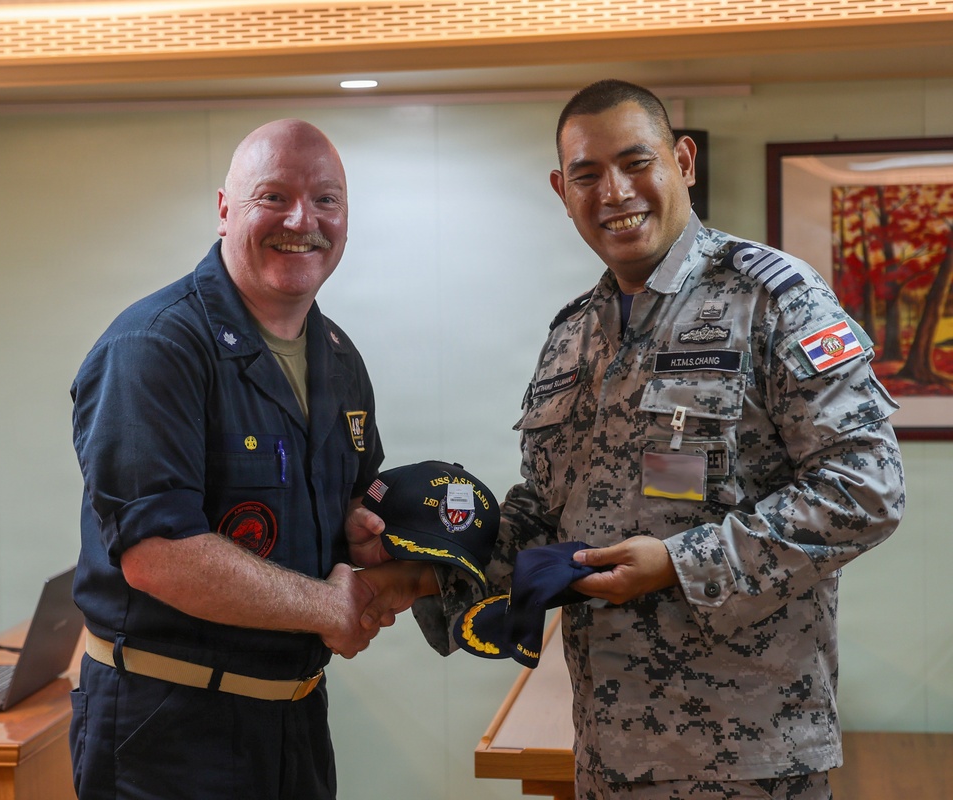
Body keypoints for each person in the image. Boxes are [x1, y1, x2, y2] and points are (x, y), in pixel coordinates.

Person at [358, 80, 906, 799]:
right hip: (607, 751)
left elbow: (866, 488)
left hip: (750, 754)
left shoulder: (772, 299)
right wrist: (435, 566)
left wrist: (678, 564)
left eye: (634, 162)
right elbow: (556, 514)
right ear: (562, 189)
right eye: (587, 175)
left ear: (682, 161)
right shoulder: (571, 335)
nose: (613, 192)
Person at [69, 118, 391, 800]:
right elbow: (158, 553)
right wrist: (328, 607)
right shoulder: (155, 345)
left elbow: (352, 499)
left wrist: (363, 533)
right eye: (273, 196)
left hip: (296, 717)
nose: (303, 220)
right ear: (225, 209)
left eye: (326, 199)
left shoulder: (337, 356)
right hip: (168, 730)